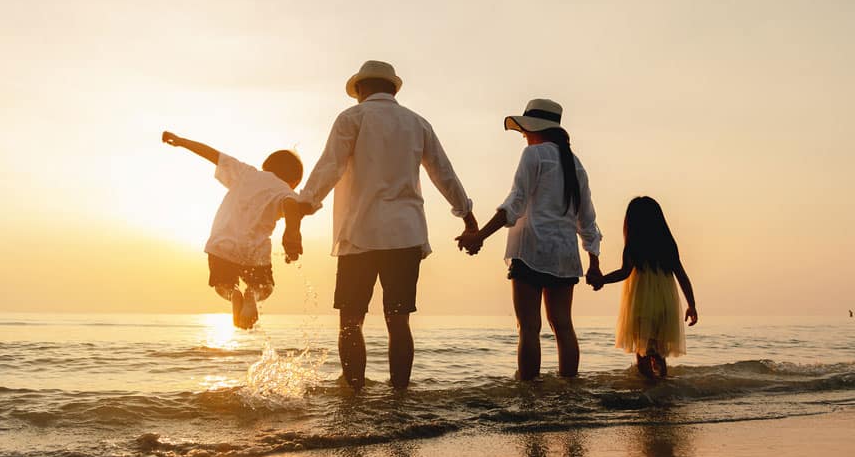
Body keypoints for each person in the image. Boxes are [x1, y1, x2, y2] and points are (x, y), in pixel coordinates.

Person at [289, 60, 478, 392]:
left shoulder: (353, 118)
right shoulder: (417, 123)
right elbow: (443, 173)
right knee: (399, 321)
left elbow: (329, 166)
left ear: (361, 89)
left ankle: (355, 394)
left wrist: (304, 206)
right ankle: (400, 396)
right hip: (405, 234)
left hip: (359, 234)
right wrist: (467, 216)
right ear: (393, 88)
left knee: (350, 322)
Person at [457, 99, 601, 380]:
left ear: (536, 129)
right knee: (563, 325)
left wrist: (479, 236)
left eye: (525, 130)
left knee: (529, 327)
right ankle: (569, 390)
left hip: (531, 250)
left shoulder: (534, 156)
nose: (523, 135)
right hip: (564, 254)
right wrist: (593, 261)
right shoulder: (576, 163)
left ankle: (529, 392)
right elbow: (588, 219)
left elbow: (515, 203)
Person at [161, 131, 308, 329]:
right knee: (265, 287)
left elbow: (213, 154)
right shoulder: (285, 191)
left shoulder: (245, 172)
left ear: (266, 166)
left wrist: (181, 141)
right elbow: (290, 204)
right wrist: (292, 233)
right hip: (254, 252)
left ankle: (234, 294)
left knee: (222, 286)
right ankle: (251, 294)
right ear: (294, 182)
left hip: (221, 247)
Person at [586, 196, 698, 377]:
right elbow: (682, 276)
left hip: (642, 305)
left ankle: (649, 391)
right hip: (665, 306)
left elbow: (624, 272)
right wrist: (691, 305)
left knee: (643, 352)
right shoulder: (667, 245)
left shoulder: (634, 246)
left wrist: (602, 280)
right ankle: (662, 388)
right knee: (659, 352)